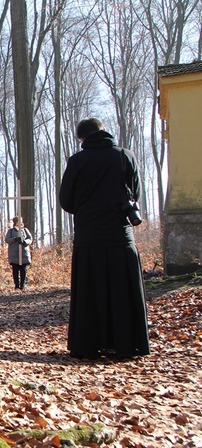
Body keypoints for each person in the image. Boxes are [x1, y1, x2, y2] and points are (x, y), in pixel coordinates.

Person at [59, 118, 150, 360]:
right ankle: (127, 345)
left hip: (89, 237)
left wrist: (87, 206)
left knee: (90, 292)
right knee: (122, 289)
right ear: (104, 131)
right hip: (120, 236)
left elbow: (66, 201)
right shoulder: (125, 156)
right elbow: (136, 194)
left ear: (82, 139)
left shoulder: (77, 161)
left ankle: (88, 345)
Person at [4, 216, 33, 289]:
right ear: (15, 222)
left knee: (23, 270)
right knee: (15, 270)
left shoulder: (25, 230)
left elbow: (30, 239)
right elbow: (7, 240)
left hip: (23, 254)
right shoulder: (11, 231)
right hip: (14, 254)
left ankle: (22, 285)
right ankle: (16, 285)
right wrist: (15, 239)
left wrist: (24, 242)